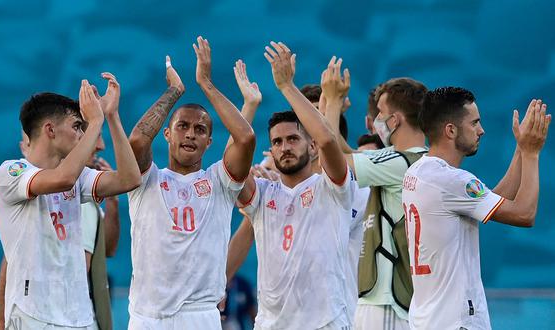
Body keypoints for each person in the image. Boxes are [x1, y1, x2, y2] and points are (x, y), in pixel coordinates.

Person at [0, 73, 141, 329]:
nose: (83, 135)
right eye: (76, 127)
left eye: (84, 128)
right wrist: (94, 122)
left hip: (79, 317)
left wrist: (112, 117)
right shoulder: (11, 172)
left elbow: (129, 179)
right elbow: (63, 178)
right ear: (50, 130)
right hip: (33, 315)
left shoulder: (79, 175)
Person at [126, 37, 255, 330]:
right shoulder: (147, 179)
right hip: (148, 316)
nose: (191, 134)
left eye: (200, 129)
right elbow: (136, 141)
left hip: (199, 315)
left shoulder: (220, 181)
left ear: (209, 142)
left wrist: (206, 83)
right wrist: (174, 91)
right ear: (167, 135)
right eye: (182, 126)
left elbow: (245, 138)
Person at [402, 88, 550, 329]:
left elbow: (492, 200)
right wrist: (532, 154)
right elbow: (524, 213)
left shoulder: (418, 172)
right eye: (474, 123)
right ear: (450, 130)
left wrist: (521, 148)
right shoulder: (452, 181)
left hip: (429, 319)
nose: (481, 131)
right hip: (457, 321)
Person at [233, 42, 355, 329]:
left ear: (311, 146)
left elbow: (327, 139)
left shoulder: (332, 187)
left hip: (326, 323)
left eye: (293, 139)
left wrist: (287, 85)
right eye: (277, 142)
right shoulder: (262, 192)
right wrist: (249, 107)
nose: (284, 147)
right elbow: (231, 167)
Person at [324, 74, 428, 329]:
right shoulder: (405, 159)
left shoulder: (401, 164)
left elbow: (331, 159)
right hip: (392, 301)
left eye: (380, 113)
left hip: (387, 302)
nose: (376, 120)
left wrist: (333, 102)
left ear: (394, 120)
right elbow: (344, 152)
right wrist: (330, 107)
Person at [0, 129, 120, 330]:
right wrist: (0, 319)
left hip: (80, 318)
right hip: (51, 317)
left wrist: (113, 200)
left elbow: (108, 249)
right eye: (93, 136)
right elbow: (13, 259)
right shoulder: (33, 187)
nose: (100, 145)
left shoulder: (84, 191)